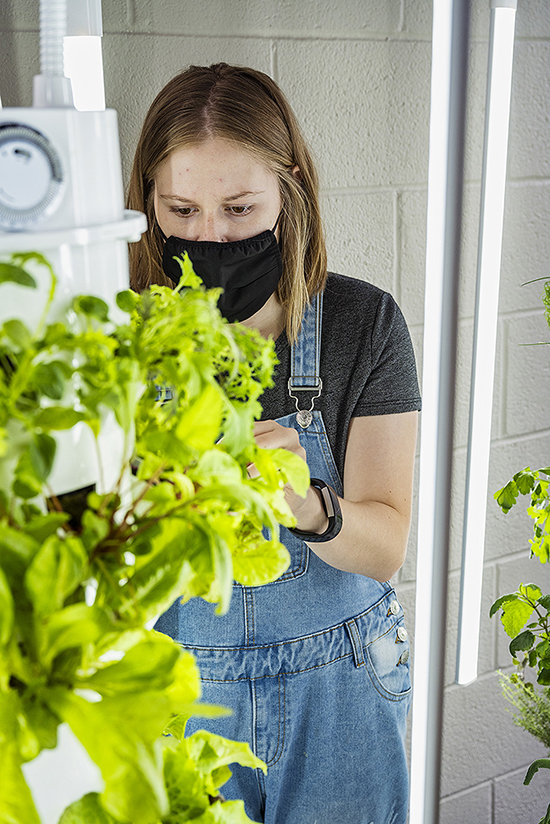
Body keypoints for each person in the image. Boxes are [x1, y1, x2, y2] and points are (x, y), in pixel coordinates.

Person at [128, 62, 421, 824]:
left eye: (238, 207)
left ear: (289, 188)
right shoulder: (119, 343)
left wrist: (313, 508)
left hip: (342, 693)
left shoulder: (366, 325)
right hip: (183, 690)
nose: (210, 236)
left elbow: (386, 545)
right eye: (181, 209)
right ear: (148, 202)